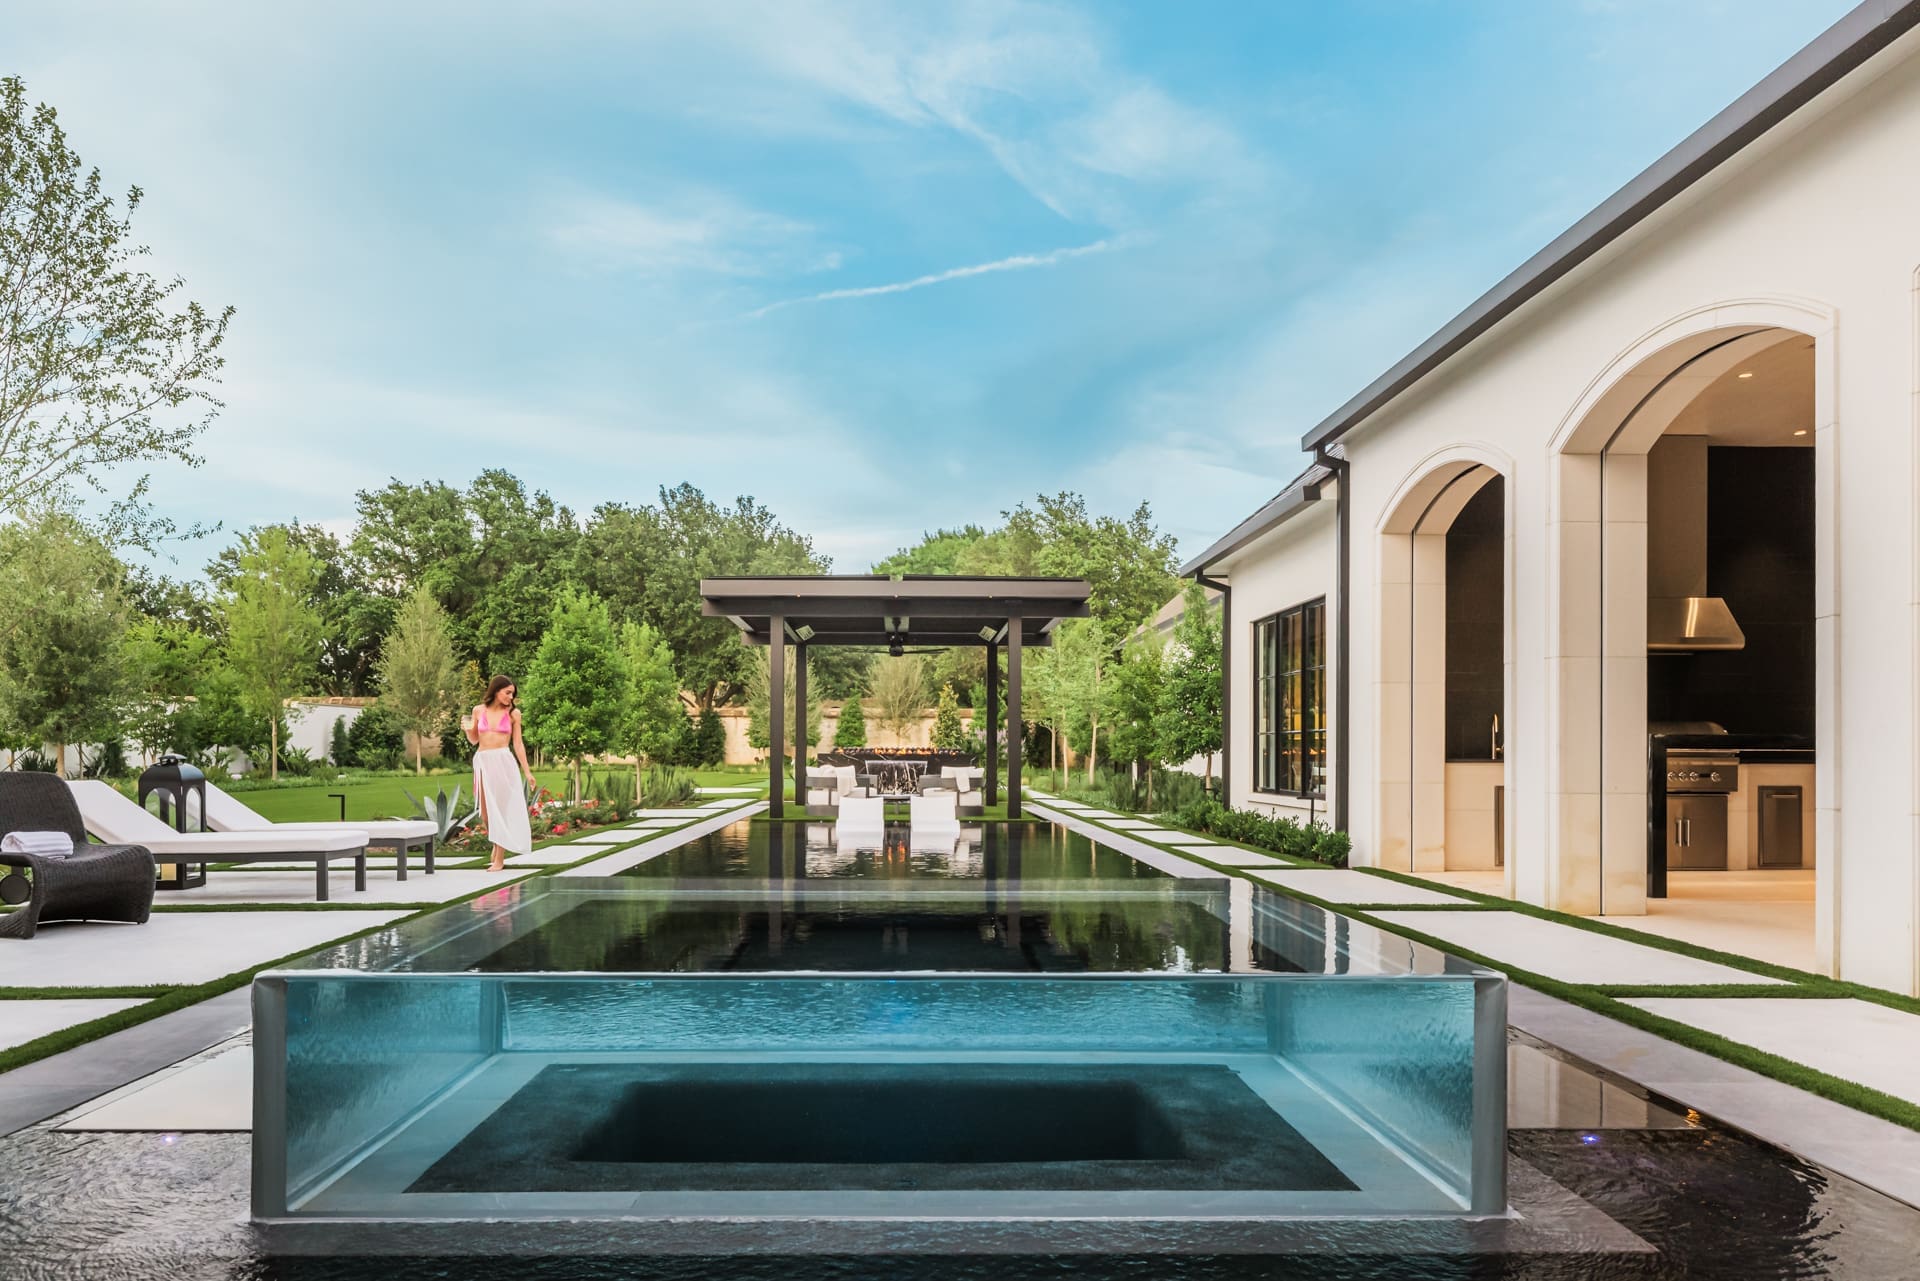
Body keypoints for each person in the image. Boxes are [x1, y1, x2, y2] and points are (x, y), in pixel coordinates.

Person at [464, 675, 537, 872]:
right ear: (496, 690)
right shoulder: (478, 710)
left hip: (503, 762)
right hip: (482, 761)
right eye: (507, 693)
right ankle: (497, 845)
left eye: (512, 694)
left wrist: (527, 772)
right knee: (487, 813)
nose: (510, 697)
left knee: (501, 811)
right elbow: (474, 740)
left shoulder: (514, 714)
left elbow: (518, 744)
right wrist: (468, 730)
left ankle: (499, 858)